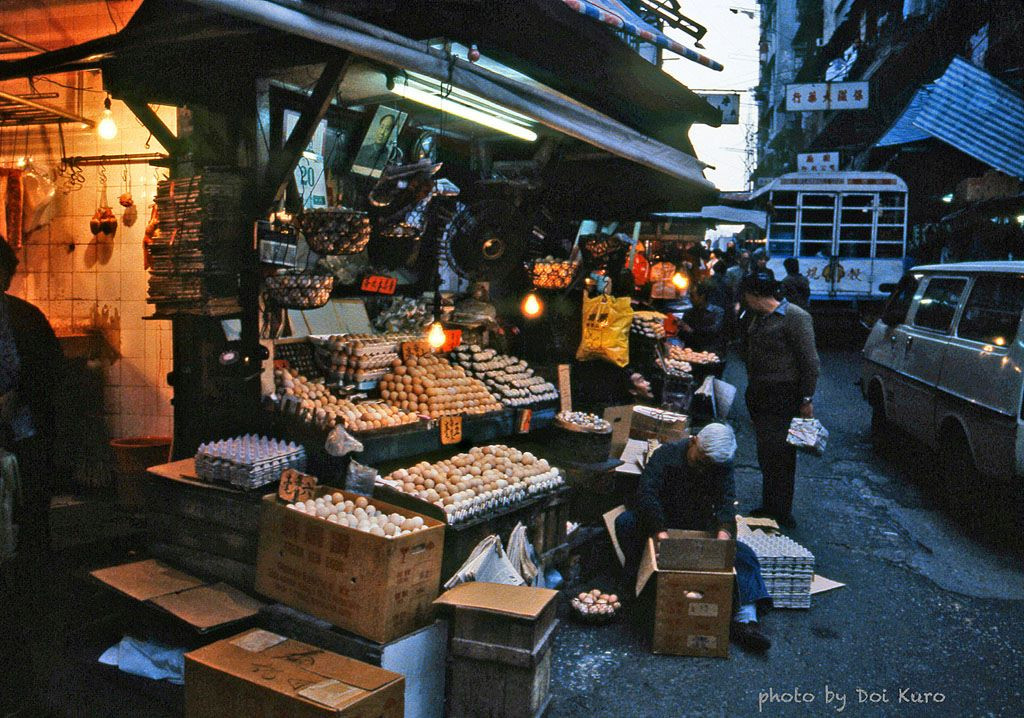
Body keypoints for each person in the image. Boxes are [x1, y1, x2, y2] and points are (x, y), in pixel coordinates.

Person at [615, 424, 773, 652]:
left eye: (710, 465)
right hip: (662, 522)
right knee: (626, 523)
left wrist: (723, 537)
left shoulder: (721, 465)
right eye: (701, 460)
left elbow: (726, 503)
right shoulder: (666, 455)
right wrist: (660, 532)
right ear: (693, 442)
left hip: (698, 526)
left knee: (744, 555)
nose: (703, 468)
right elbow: (647, 495)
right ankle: (636, 592)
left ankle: (745, 621)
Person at [1, 236, 64, 714]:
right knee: (29, 545)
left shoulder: (22, 320)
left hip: (21, 449)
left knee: (25, 545)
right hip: (28, 448)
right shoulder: (27, 317)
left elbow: (45, 385)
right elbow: (52, 387)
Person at [740, 271, 819, 528]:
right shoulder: (758, 318)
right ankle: (768, 505)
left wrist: (807, 398)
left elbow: (810, 361)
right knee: (766, 452)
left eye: (745, 296)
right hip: (760, 395)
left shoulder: (795, 317)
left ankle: (782, 512)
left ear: (754, 295)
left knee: (782, 454)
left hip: (784, 396)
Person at [679, 280, 725, 357]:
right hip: (691, 352)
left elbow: (714, 331)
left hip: (710, 352)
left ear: (702, 297)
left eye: (693, 296)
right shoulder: (689, 313)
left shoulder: (717, 312)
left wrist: (691, 330)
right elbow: (683, 334)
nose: (690, 299)